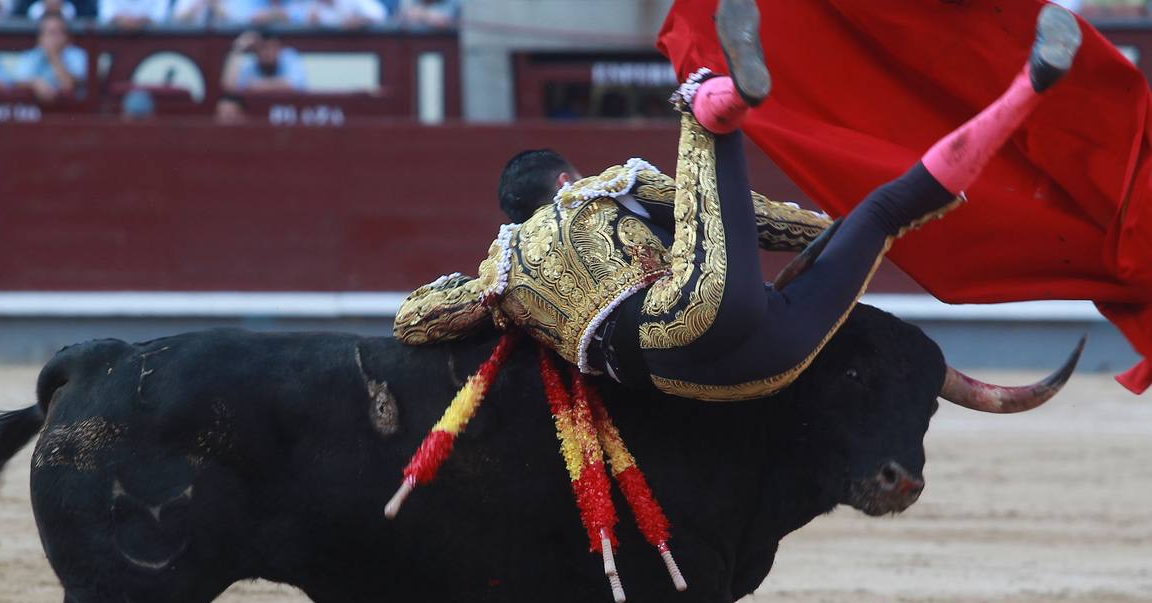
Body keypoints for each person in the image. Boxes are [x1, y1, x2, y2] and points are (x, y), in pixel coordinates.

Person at [394, 0, 1082, 401]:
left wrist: (484, 289)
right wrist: (834, 232)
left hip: (730, 377)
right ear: (563, 182)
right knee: (876, 209)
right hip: (693, 313)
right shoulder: (594, 192)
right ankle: (721, 96)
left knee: (870, 217)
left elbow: (412, 322)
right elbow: (752, 220)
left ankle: (1030, 87)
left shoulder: (503, 273)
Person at [658, 0, 1152, 394]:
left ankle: (728, 93)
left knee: (699, 57)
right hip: (708, 322)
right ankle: (1028, 85)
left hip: (698, 331)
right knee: (886, 208)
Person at [12, 12, 87, 103]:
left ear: (66, 37)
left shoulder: (77, 55)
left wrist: (53, 56)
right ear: (40, 38)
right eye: (49, 33)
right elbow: (16, 81)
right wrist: (35, 83)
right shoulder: (31, 56)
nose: (52, 39)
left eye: (56, 33)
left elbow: (69, 85)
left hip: (71, 111)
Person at [221, 30, 307, 93]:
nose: (268, 53)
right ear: (256, 50)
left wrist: (256, 85)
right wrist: (237, 49)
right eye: (263, 48)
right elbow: (229, 86)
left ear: (279, 49)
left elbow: (293, 85)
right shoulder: (250, 62)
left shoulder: (289, 56)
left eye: (272, 48)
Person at [97, 0, 165, 28]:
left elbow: (161, 18)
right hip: (115, 41)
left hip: (151, 43)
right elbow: (105, 16)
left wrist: (139, 21)